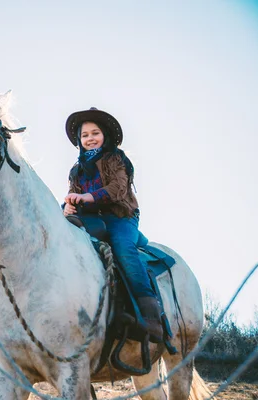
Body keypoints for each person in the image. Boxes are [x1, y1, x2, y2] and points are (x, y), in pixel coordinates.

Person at [63, 107, 163, 342]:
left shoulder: (116, 159)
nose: (90, 138)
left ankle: (151, 317)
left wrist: (89, 197)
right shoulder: (76, 170)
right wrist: (67, 206)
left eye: (95, 133)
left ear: (105, 135)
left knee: (123, 249)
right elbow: (73, 194)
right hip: (91, 219)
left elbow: (118, 189)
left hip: (121, 217)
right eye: (85, 135)